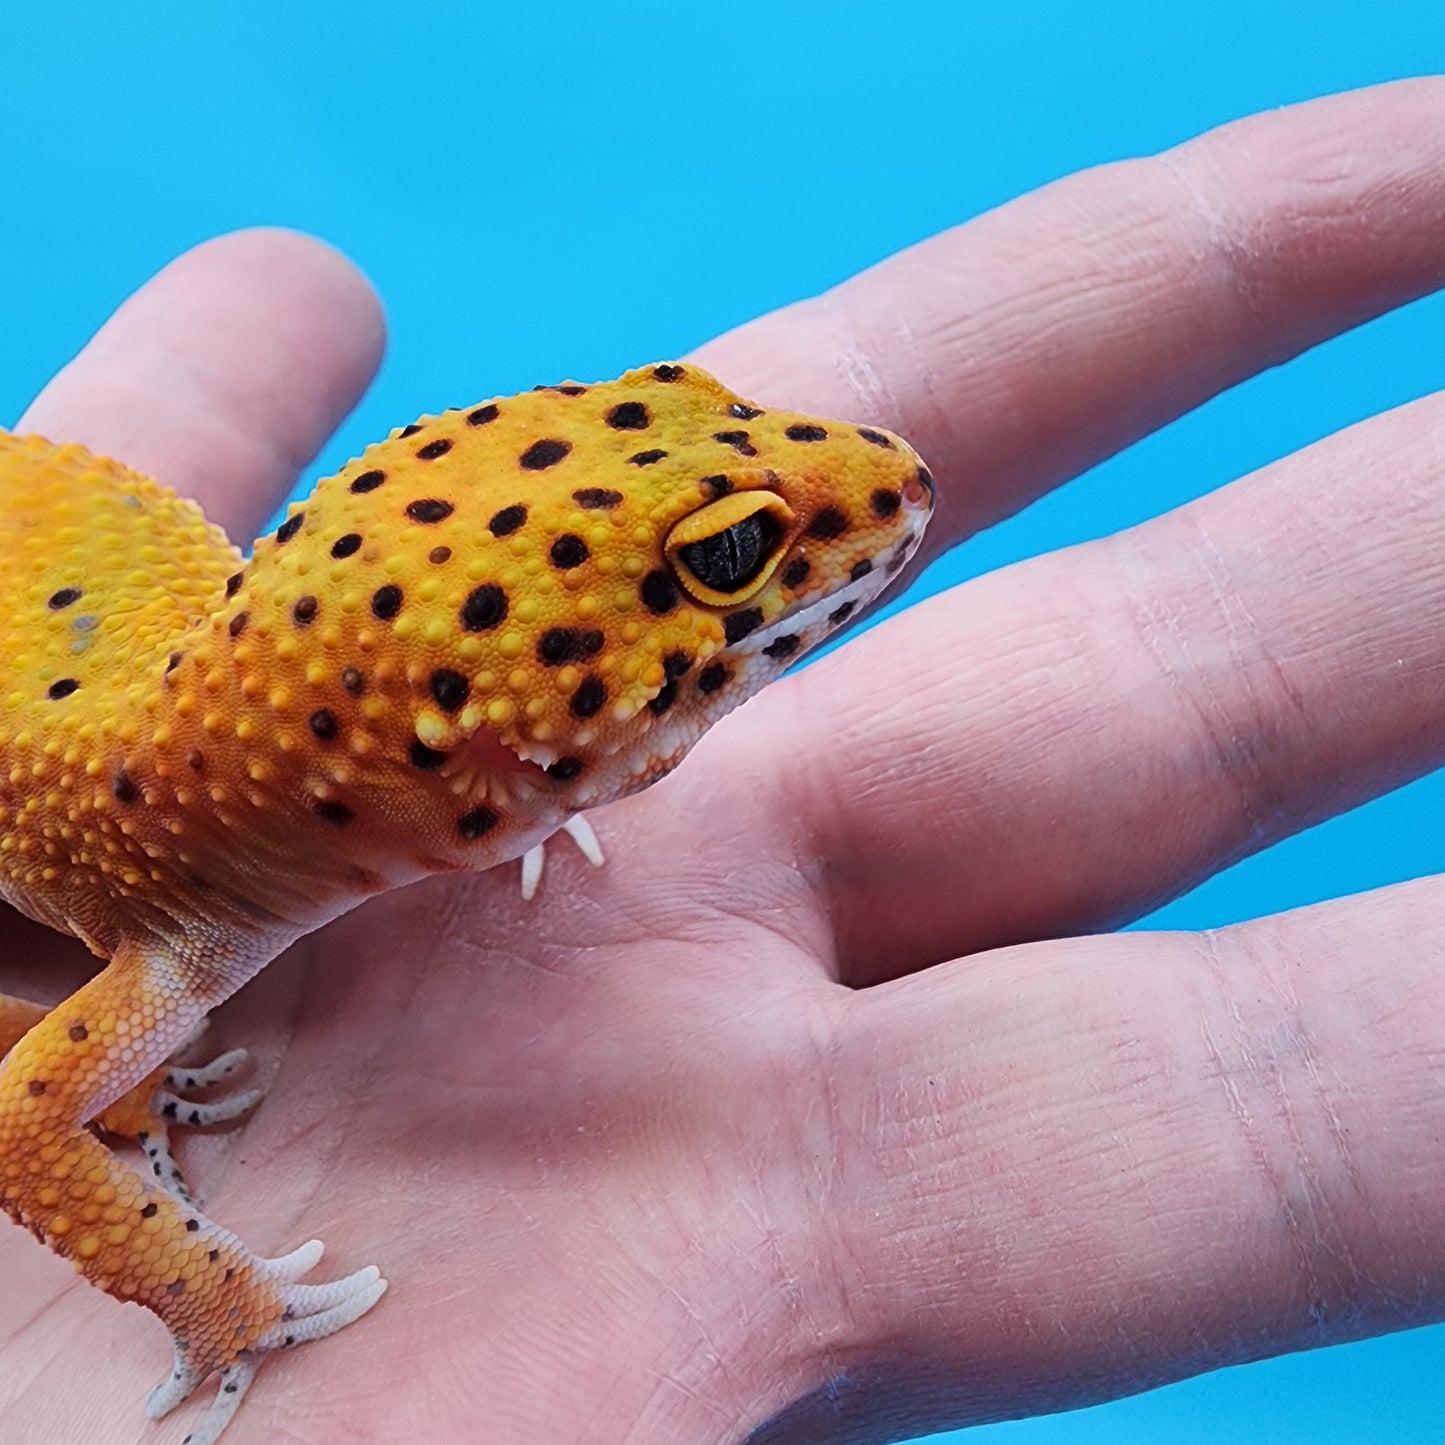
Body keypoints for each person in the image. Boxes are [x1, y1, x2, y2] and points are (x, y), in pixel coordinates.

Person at [3, 78, 1443, 1444]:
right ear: (470, 755)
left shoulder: (344, 737)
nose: (872, 475)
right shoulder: (175, 930)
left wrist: (530, 787)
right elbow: (31, 1127)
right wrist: (216, 1297)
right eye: (732, 557)